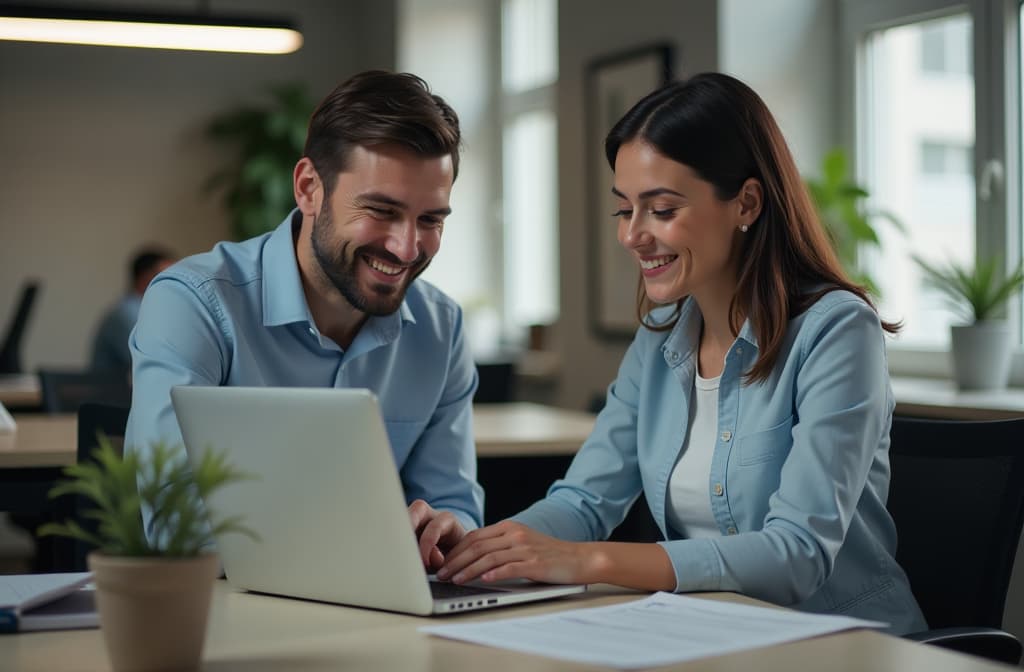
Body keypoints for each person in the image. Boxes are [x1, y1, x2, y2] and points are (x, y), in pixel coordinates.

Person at [424, 72, 927, 634]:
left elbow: (798, 553)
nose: (632, 235)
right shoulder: (662, 335)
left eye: (661, 210)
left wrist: (591, 560)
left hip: (840, 644)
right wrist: (478, 553)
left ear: (747, 203)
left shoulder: (835, 332)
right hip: (714, 635)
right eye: (624, 210)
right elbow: (585, 502)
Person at [125, 71, 483, 556]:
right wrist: (352, 545)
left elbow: (454, 503)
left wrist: (448, 530)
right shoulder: (194, 303)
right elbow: (175, 524)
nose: (405, 247)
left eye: (430, 219)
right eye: (381, 210)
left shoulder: (443, 329)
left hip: (387, 614)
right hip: (231, 615)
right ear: (309, 187)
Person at [89, 248, 175, 378]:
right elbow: (154, 360)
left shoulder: (149, 311)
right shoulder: (125, 314)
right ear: (145, 277)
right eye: (167, 276)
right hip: (111, 394)